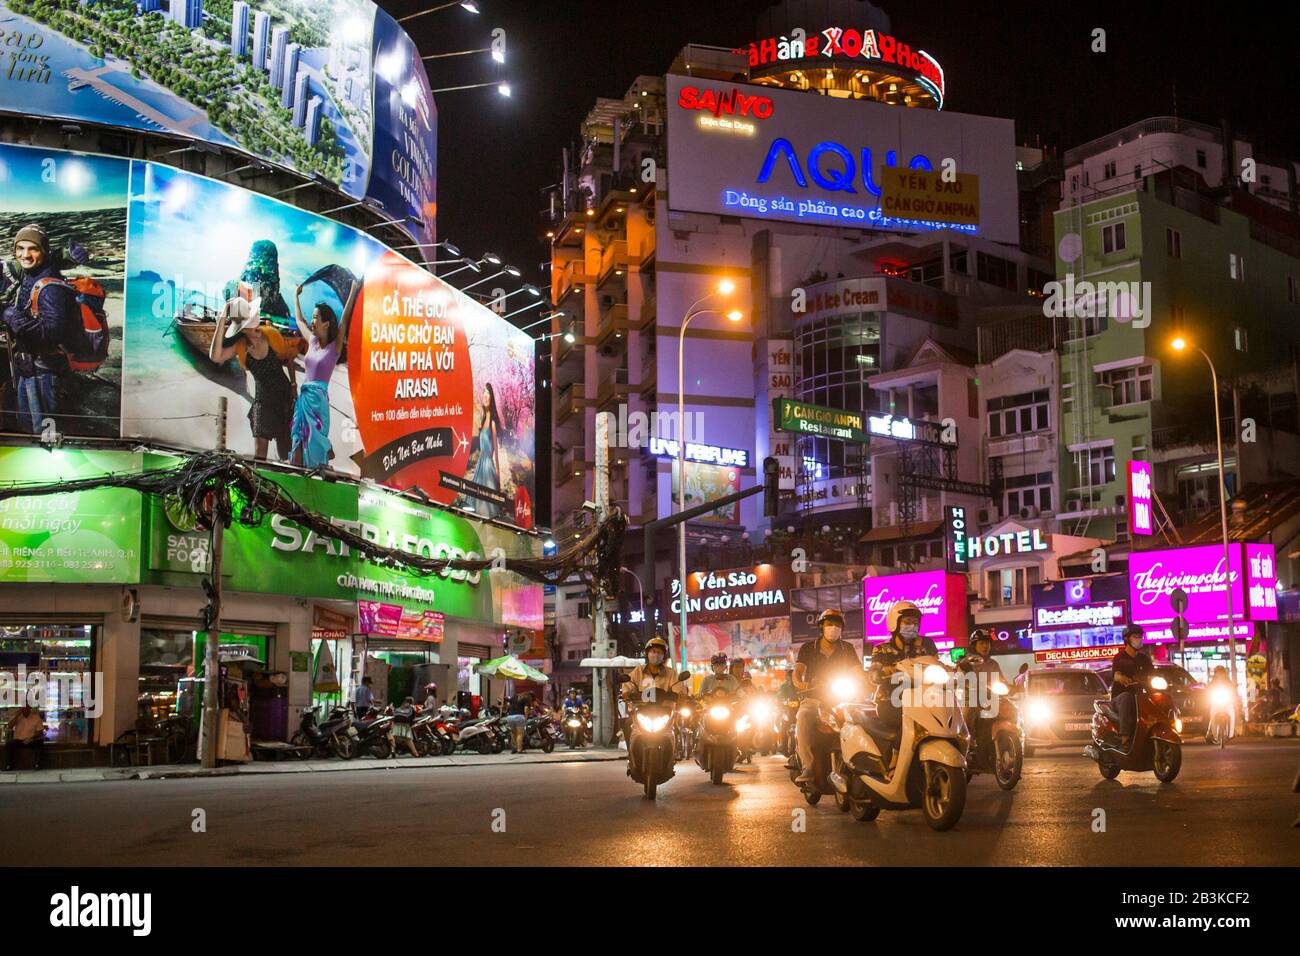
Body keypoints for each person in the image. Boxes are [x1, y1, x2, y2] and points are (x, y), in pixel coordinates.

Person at [0, 224, 85, 435]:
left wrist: (10, 315)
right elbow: (34, 261)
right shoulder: (23, 272)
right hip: (26, 364)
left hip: (44, 369)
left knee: (45, 432)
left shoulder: (50, 288)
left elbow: (51, 334)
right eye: (20, 248)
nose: (25, 254)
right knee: (28, 425)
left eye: (32, 248)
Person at [210, 296, 297, 461]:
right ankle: (258, 485)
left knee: (285, 453)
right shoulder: (240, 347)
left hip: (284, 399)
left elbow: (289, 359)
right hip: (263, 404)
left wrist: (294, 384)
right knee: (260, 457)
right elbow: (216, 357)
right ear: (243, 328)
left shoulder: (271, 335)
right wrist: (222, 319)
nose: (255, 322)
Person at [291, 279, 359, 468]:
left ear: (326, 323)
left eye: (315, 317)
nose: (312, 321)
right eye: (312, 317)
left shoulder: (333, 348)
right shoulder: (311, 341)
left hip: (318, 402)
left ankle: (317, 469)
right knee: (297, 439)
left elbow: (344, 319)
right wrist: (296, 297)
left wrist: (352, 290)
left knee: (314, 445)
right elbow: (299, 320)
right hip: (303, 398)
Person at [793, 608, 861, 783]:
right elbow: (798, 671)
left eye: (837, 625)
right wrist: (800, 682)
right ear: (822, 627)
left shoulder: (848, 648)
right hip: (814, 698)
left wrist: (867, 681)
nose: (834, 628)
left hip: (842, 699)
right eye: (830, 624)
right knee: (803, 717)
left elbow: (858, 671)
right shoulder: (808, 648)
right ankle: (808, 766)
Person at [866, 601, 939, 737]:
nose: (912, 626)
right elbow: (873, 675)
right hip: (891, 701)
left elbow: (937, 664)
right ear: (895, 623)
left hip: (926, 701)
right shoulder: (882, 649)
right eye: (907, 622)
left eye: (915, 622)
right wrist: (882, 672)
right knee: (908, 725)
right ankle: (895, 757)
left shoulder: (927, 644)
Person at [1110, 623, 1155, 750]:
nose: (1139, 639)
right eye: (1136, 636)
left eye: (1141, 636)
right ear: (1127, 639)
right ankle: (1125, 738)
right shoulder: (1119, 658)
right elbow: (1116, 674)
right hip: (1120, 699)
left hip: (1140, 696)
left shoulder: (1144, 659)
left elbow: (1152, 675)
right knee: (1126, 697)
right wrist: (1121, 678)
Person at [468, 383, 504, 517]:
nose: (485, 395)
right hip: (479, 466)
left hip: (488, 467)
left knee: (488, 506)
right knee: (475, 502)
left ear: (491, 397)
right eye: (484, 392)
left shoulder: (493, 423)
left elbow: (495, 452)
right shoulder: (483, 421)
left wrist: (498, 475)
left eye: (487, 393)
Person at [3, 704, 45, 771]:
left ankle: (37, 764)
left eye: (27, 708)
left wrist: (31, 738)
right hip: (18, 740)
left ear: (30, 708)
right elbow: (10, 726)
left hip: (31, 740)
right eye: (23, 708)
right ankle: (8, 765)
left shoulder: (36, 717)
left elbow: (40, 731)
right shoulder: (17, 717)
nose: (25, 709)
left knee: (40, 742)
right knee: (9, 744)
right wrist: (17, 715)